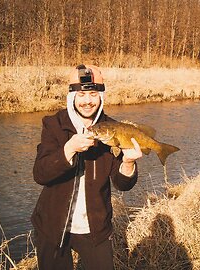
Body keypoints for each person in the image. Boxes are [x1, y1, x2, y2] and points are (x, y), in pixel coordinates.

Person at [31, 64, 143, 270]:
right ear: (71, 95)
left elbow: (122, 184)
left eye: (93, 94)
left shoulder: (113, 128)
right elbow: (40, 174)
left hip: (96, 227)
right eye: (81, 94)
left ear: (101, 96)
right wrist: (69, 149)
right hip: (52, 226)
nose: (87, 101)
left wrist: (128, 162)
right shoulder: (53, 124)